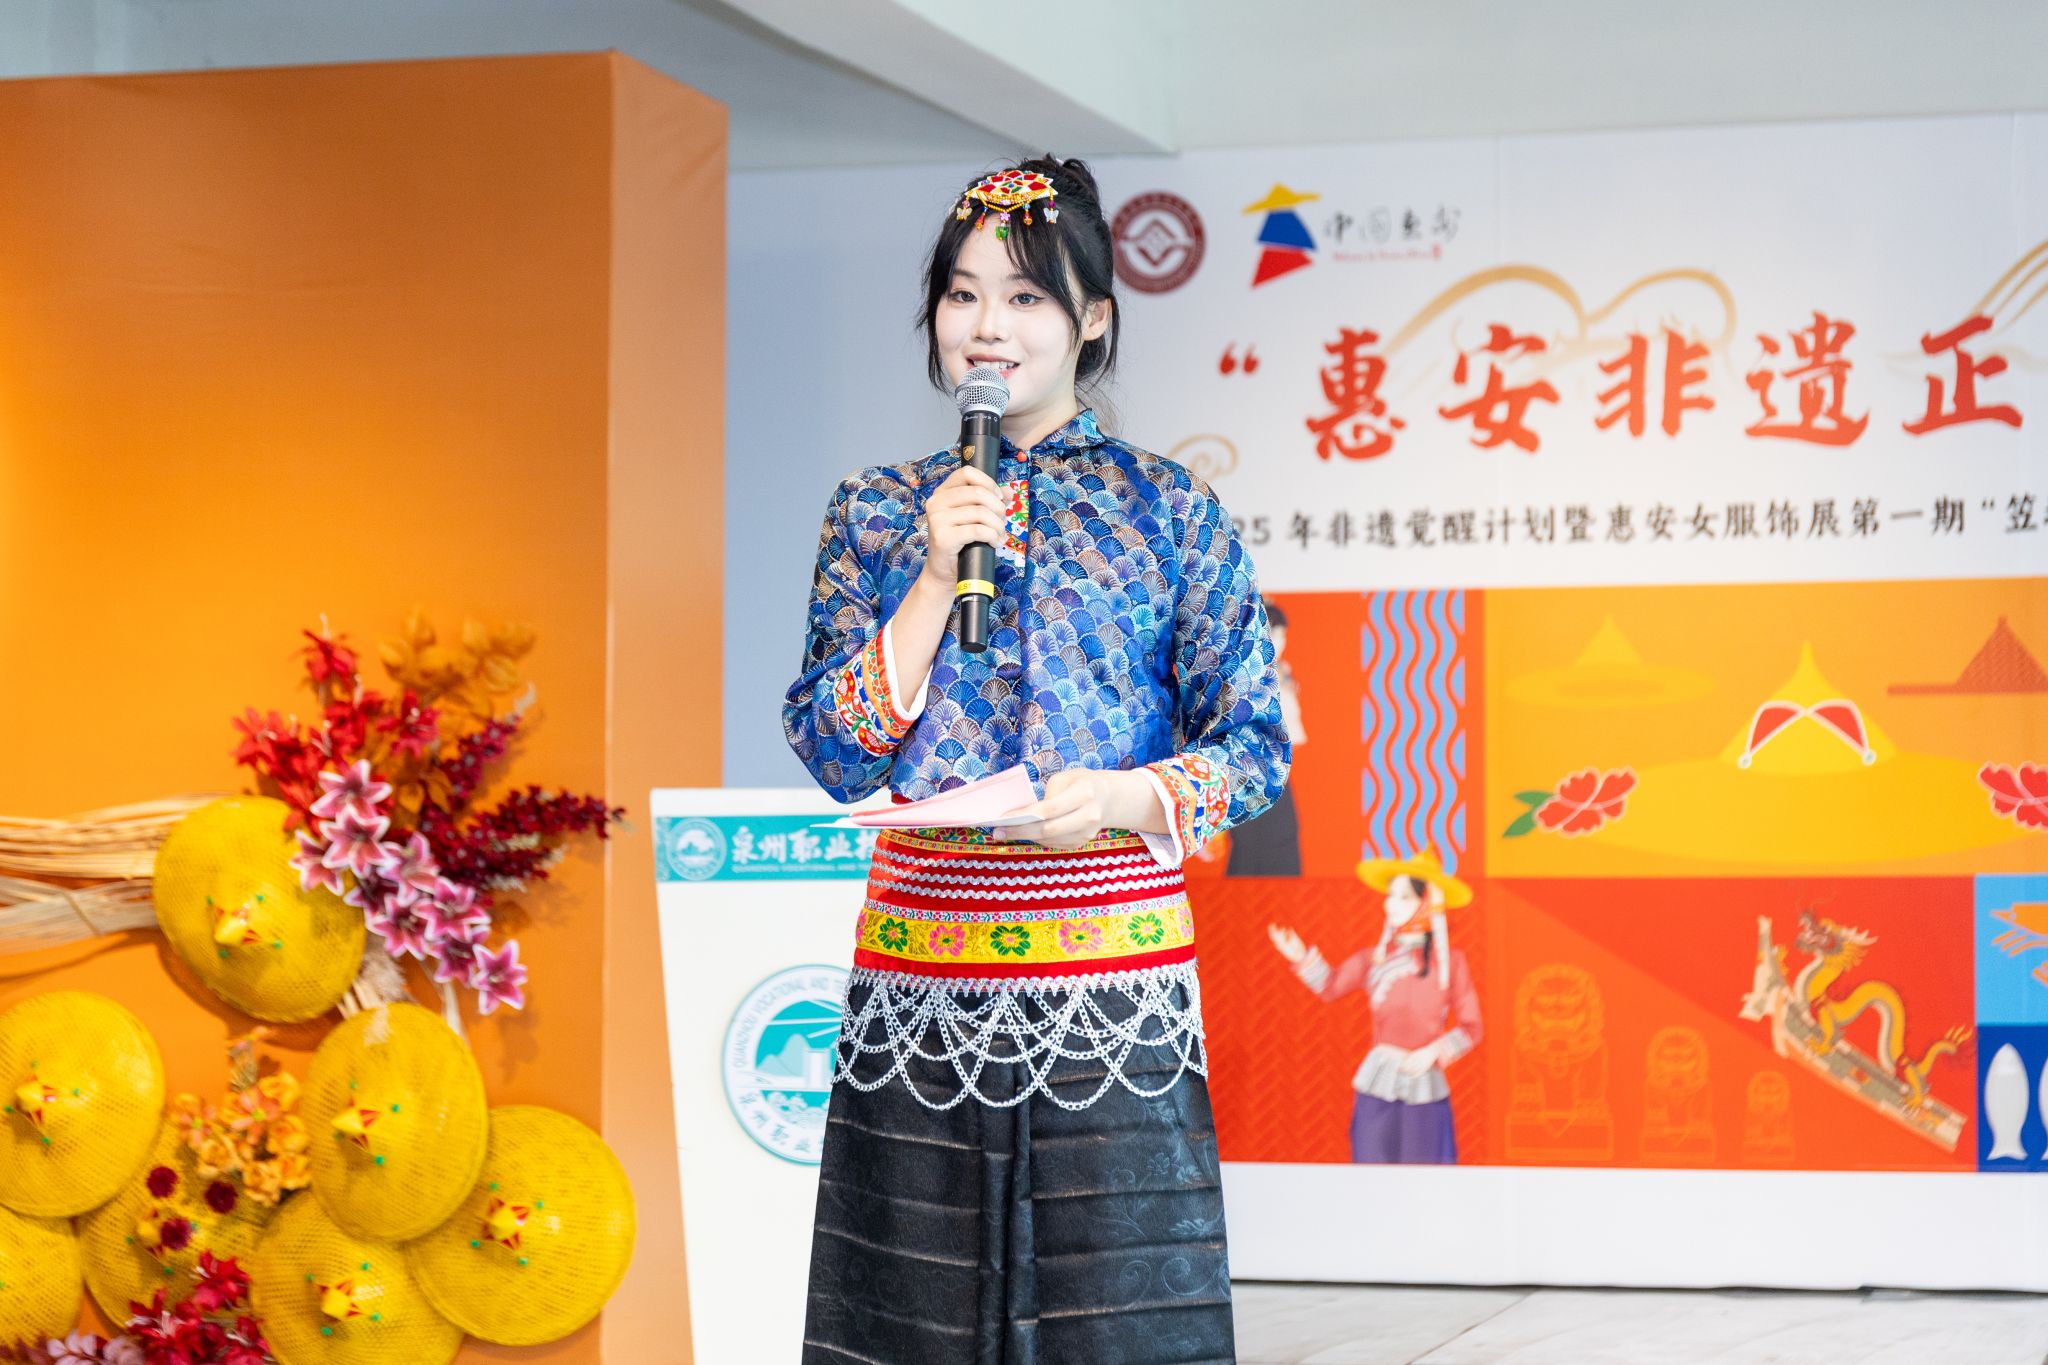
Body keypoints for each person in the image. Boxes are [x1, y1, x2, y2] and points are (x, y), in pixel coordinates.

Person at [783, 156, 1289, 1365]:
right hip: (920, 977)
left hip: (1107, 981)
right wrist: (927, 579)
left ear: (1090, 322)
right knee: (912, 1322)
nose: (987, 327)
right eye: (961, 295)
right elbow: (832, 751)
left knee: (1110, 1326)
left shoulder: (1166, 507)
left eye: (1023, 298)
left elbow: (1255, 744)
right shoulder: (875, 509)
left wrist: (1122, 796)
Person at [1267, 851, 1482, 1164]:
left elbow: (1472, 1027)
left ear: (1428, 902)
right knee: (1372, 1169)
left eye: (1403, 896)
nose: (1390, 904)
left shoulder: (1451, 963)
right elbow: (1330, 986)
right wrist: (1300, 956)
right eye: (1390, 895)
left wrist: (1434, 1052)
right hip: (1377, 1083)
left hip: (1425, 1087)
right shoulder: (1374, 960)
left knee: (1425, 1175)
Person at [1225, 597, 1303, 876]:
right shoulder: (1246, 677)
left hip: (1275, 768)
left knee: (1281, 837)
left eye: (1283, 636)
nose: (1280, 643)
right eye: (1274, 634)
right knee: (1256, 842)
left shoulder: (1282, 674)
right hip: (1254, 768)